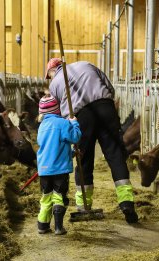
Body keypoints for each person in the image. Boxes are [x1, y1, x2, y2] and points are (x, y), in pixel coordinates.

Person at [46, 58, 138, 223]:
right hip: (105, 107)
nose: (50, 79)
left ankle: (84, 206)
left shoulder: (54, 84)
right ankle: (127, 203)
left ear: (52, 71)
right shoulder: (86, 64)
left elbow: (57, 112)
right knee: (116, 155)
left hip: (81, 116)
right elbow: (109, 87)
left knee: (84, 159)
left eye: (49, 75)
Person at [36, 94, 81, 235]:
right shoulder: (63, 123)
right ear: (57, 110)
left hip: (44, 169)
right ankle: (58, 227)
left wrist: (71, 153)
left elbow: (50, 147)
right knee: (59, 196)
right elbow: (75, 137)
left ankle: (42, 226)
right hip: (60, 169)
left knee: (46, 197)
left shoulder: (42, 126)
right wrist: (74, 123)